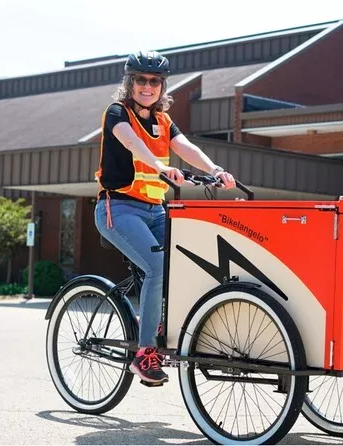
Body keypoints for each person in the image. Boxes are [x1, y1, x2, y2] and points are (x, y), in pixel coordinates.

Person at [93, 50, 236, 385]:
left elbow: (186, 147)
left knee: (184, 263)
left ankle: (159, 322)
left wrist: (214, 169)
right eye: (141, 80)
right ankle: (144, 354)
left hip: (154, 209)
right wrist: (159, 166)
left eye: (154, 81)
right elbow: (130, 142)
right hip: (118, 208)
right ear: (131, 83)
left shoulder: (163, 121)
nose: (147, 87)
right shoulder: (117, 113)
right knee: (156, 266)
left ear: (161, 86)